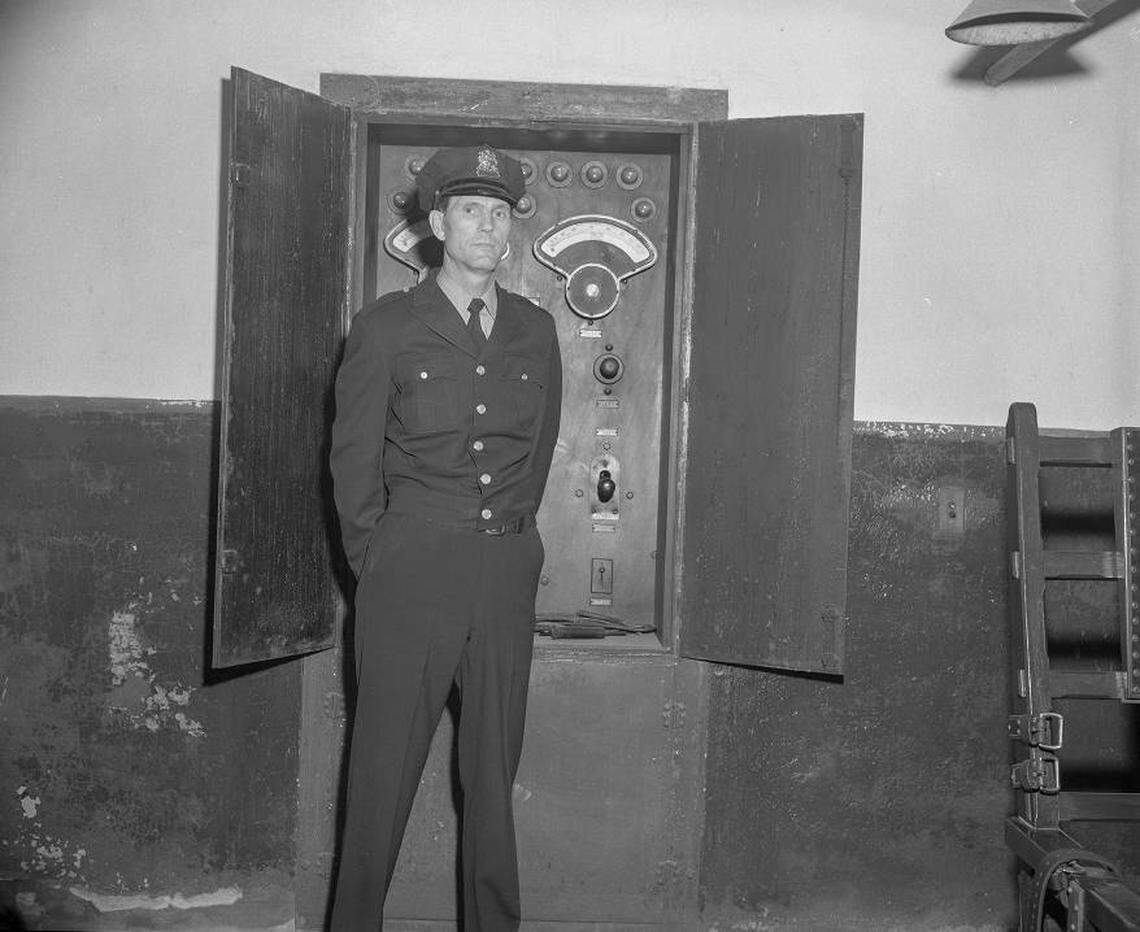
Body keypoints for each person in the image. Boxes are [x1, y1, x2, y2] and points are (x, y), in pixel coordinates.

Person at [328, 144, 562, 931]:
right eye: (471, 211)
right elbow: (353, 463)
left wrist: (511, 544)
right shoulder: (387, 327)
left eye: (500, 214)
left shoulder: (535, 330)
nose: (488, 227)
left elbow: (536, 458)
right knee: (380, 776)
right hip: (411, 570)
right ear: (437, 224)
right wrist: (381, 561)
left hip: (502, 571)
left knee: (493, 778)